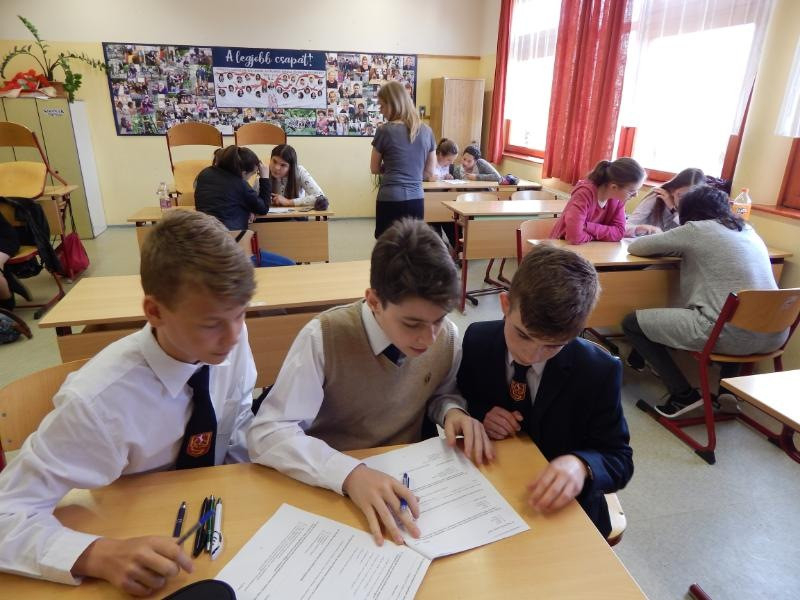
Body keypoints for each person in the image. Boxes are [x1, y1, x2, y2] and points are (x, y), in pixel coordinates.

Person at [0, 211, 258, 595]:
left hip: (213, 521)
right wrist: (96, 555)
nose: (233, 336)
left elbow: (235, 423)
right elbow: (6, 513)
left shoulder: (226, 331)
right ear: (154, 311)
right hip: (136, 530)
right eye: (211, 324)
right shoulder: (98, 402)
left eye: (241, 315)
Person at [248, 219, 493, 546]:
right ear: (374, 301)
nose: (429, 338)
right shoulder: (323, 337)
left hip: (405, 478)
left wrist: (452, 412)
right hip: (331, 482)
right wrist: (350, 474)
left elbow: (440, 392)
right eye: (412, 324)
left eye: (438, 319)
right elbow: (268, 433)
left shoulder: (447, 336)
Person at [457, 245, 633, 537]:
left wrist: (582, 465)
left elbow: (619, 459)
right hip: (493, 491)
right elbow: (465, 396)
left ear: (577, 332)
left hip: (563, 510)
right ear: (505, 304)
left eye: (552, 345)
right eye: (522, 335)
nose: (531, 354)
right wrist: (480, 414)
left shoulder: (598, 371)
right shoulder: (477, 339)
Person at [622, 185, 786, 417]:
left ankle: (683, 395)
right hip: (774, 334)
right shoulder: (747, 229)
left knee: (631, 323)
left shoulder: (696, 230)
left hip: (724, 334)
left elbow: (638, 246)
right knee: (737, 308)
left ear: (690, 211)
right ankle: (728, 391)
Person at [195, 145, 294, 267]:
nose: (250, 178)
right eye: (253, 174)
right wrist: (264, 177)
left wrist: (246, 209)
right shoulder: (240, 185)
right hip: (233, 251)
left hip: (203, 250)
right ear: (243, 173)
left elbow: (226, 201)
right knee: (289, 264)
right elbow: (263, 208)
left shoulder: (205, 174)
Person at [370, 81, 436, 238]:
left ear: (393, 104)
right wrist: (412, 171)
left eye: (382, 106)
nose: (381, 111)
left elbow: (374, 168)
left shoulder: (384, 131)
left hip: (390, 198)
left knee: (388, 243)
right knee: (413, 243)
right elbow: (429, 172)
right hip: (416, 198)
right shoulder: (427, 131)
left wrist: (391, 168)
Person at [550, 157, 645, 245]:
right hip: (561, 247)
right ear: (614, 187)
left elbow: (619, 233)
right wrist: (595, 237)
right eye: (631, 191)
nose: (635, 195)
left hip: (588, 248)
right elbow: (574, 237)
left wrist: (586, 226)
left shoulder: (618, 200)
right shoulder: (584, 194)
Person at [625, 168, 705, 237]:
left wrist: (673, 209)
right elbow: (626, 226)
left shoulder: (698, 205)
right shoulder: (657, 197)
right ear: (672, 190)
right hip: (645, 242)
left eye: (690, 198)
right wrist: (641, 229)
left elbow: (691, 232)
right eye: (680, 196)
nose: (684, 202)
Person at [267, 144, 327, 208]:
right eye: (274, 161)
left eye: (283, 165)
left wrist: (288, 202)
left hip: (296, 213)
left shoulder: (299, 171)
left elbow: (320, 197)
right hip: (270, 213)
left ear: (291, 167)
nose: (276, 168)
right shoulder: (264, 170)